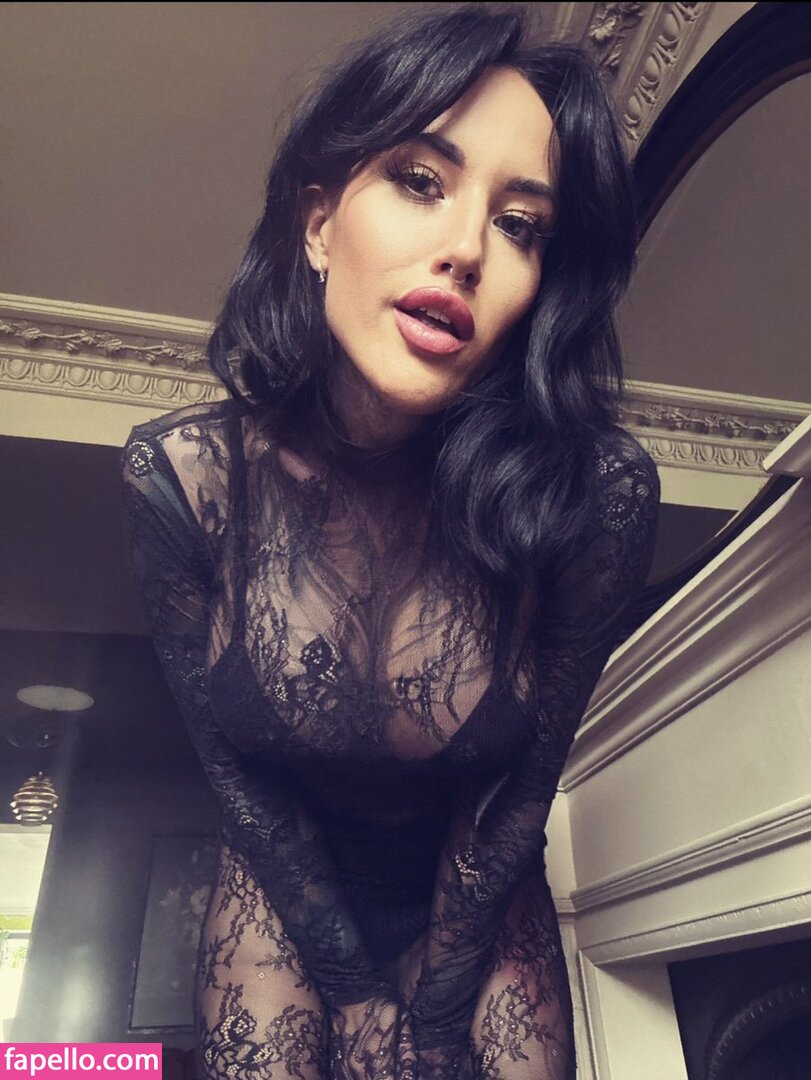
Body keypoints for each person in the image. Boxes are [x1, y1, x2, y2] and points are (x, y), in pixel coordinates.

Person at [122, 7, 659, 1078]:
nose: (465, 249)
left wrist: (435, 1012)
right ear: (319, 224)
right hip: (284, 885)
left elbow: (519, 796)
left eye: (521, 226)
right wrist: (355, 989)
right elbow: (238, 779)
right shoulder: (184, 479)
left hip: (479, 890)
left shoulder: (593, 497)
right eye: (420, 180)